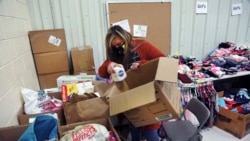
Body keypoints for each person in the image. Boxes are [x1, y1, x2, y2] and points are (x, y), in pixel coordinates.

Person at [98, 25, 165, 141]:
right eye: (114, 46)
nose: (118, 48)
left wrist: (142, 64)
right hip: (131, 102)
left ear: (126, 39)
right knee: (135, 130)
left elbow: (163, 60)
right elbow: (101, 73)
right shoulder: (116, 55)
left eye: (120, 44)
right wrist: (108, 65)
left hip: (149, 98)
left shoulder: (142, 46)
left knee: (150, 133)